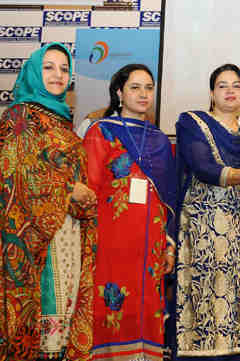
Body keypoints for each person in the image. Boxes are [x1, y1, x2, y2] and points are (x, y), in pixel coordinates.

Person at [0, 42, 97, 360]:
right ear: (33, 71)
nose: (58, 75)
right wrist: (67, 190)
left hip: (66, 235)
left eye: (64, 69)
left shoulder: (62, 121)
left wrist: (82, 197)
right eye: (49, 67)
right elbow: (13, 174)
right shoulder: (18, 117)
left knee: (62, 320)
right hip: (32, 242)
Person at [174, 63, 240, 360]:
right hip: (204, 229)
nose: (230, 91)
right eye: (222, 85)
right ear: (211, 93)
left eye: (236, 85)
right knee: (205, 303)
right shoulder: (192, 123)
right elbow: (204, 168)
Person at [83, 63, 176, 360]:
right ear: (119, 92)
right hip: (111, 242)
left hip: (150, 246)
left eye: (149, 87)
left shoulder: (161, 140)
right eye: (135, 87)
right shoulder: (101, 132)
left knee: (147, 305)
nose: (144, 93)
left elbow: (170, 200)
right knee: (111, 305)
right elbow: (89, 189)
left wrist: (169, 247)